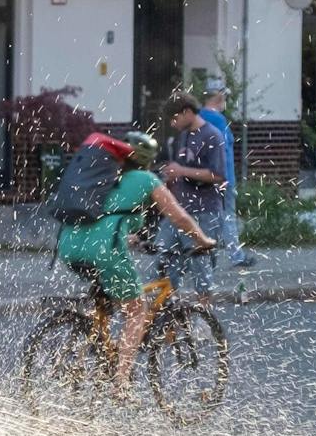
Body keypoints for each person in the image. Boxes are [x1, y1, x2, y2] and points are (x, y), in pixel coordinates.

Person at [57, 131, 215, 393]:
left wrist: (131, 238)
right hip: (103, 250)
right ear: (148, 160)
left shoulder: (103, 178)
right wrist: (203, 240)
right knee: (137, 308)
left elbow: (104, 217)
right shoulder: (145, 179)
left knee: (107, 301)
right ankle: (120, 382)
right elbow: (180, 218)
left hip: (69, 245)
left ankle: (92, 347)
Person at [157, 95, 226, 293]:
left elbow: (219, 175)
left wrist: (182, 171)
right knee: (161, 263)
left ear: (187, 111)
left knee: (201, 272)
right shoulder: (183, 136)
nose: (173, 123)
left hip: (204, 213)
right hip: (178, 212)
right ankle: (166, 315)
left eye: (175, 117)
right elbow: (181, 167)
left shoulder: (212, 135)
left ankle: (205, 321)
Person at [199, 79, 254, 269]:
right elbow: (220, 150)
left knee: (212, 217)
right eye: (225, 97)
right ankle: (234, 256)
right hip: (223, 177)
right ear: (219, 96)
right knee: (225, 216)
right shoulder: (217, 119)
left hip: (209, 177)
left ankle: (209, 254)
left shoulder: (200, 117)